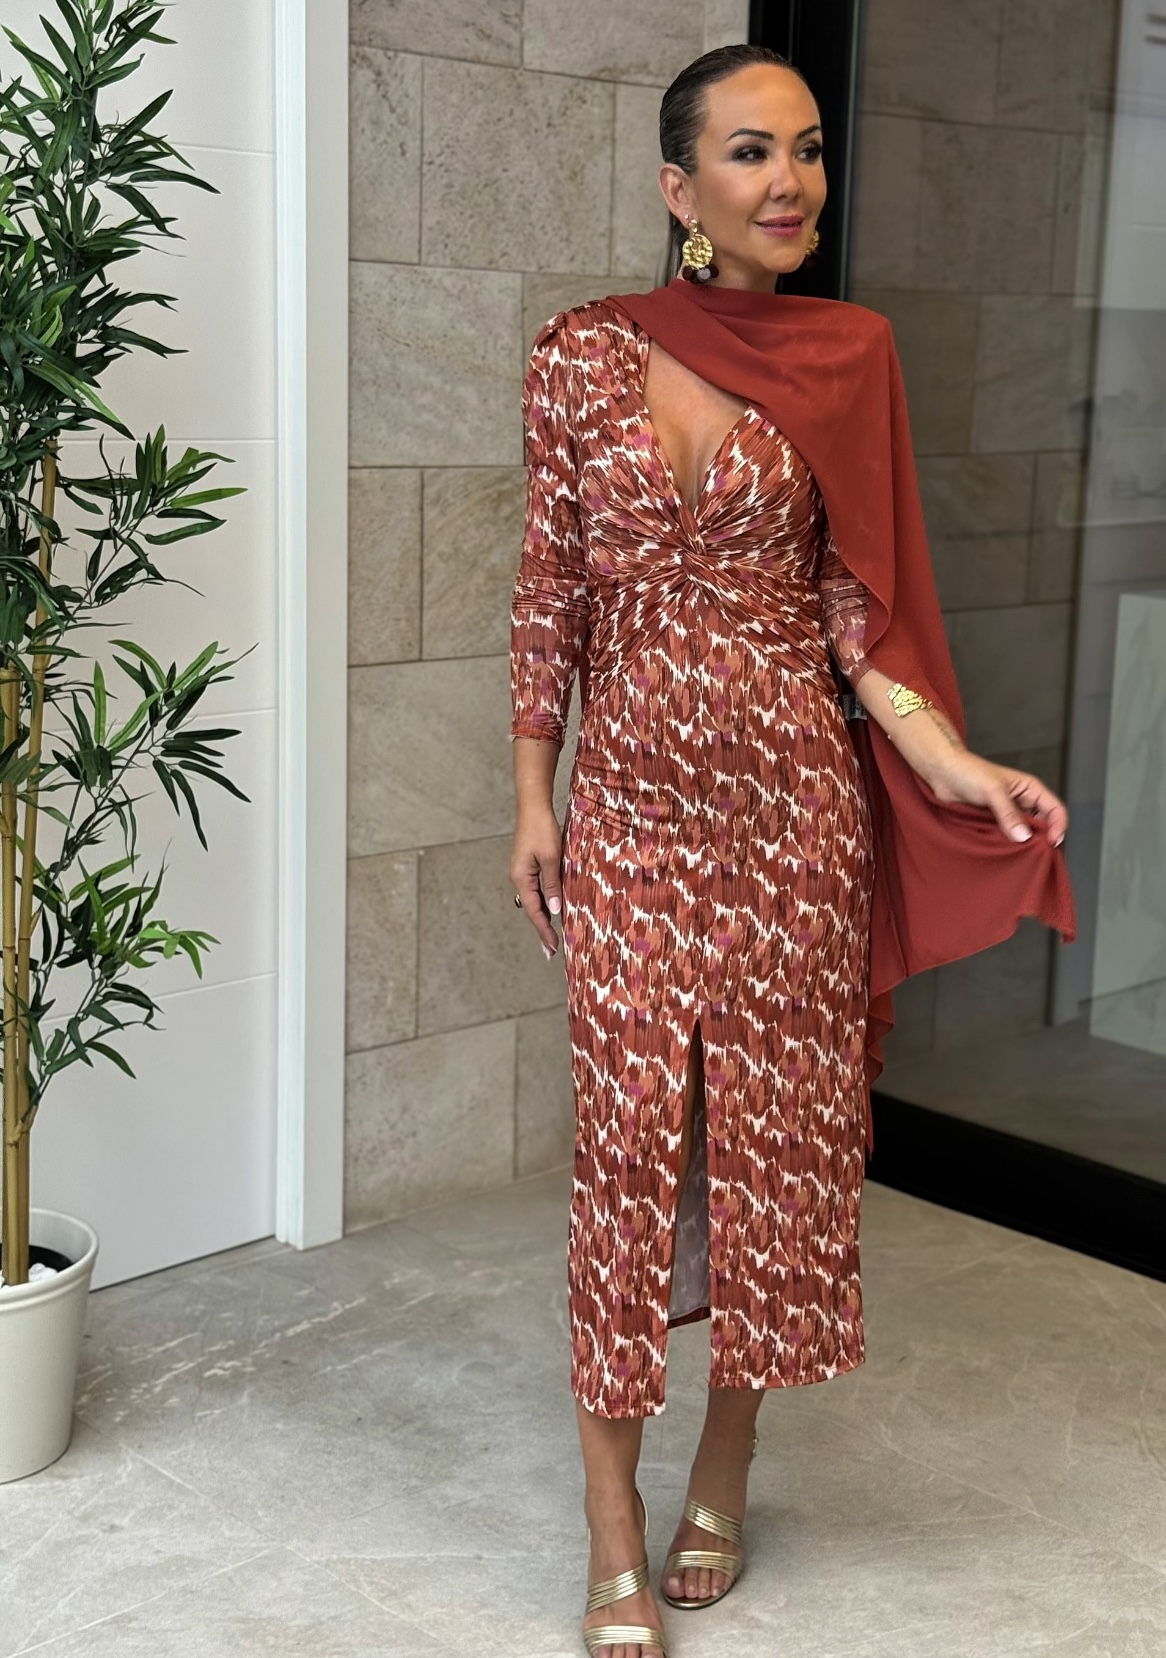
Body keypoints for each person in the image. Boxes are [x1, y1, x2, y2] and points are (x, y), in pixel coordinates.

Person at [507, 45, 1073, 1658]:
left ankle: (725, 1464)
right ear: (678, 186)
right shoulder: (579, 356)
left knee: (772, 1151)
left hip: (790, 826)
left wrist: (950, 760)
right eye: (751, 151)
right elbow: (550, 584)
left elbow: (856, 616)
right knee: (625, 1156)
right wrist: (534, 795)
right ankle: (610, 1524)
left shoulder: (847, 355)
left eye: (807, 150)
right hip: (628, 819)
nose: (790, 181)